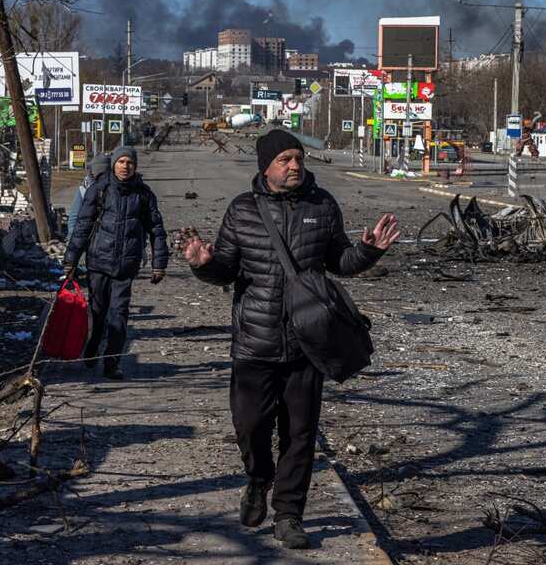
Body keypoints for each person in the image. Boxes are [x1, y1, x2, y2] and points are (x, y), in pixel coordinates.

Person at [181, 129, 400, 549]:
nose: (295, 165)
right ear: (266, 166)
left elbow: (339, 261)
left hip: (307, 344)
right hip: (254, 343)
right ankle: (257, 479)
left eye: (298, 157)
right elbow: (226, 268)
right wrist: (202, 264)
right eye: (285, 159)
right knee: (250, 427)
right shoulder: (242, 210)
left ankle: (288, 515)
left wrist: (369, 250)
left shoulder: (323, 204)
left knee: (300, 435)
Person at [64, 146, 169, 380]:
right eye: (120, 161)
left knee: (119, 316)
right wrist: (70, 260)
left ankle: (112, 363)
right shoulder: (99, 191)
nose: (125, 166)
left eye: (129, 162)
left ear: (135, 166)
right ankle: (92, 347)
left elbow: (157, 230)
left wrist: (158, 264)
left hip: (125, 266)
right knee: (98, 312)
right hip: (98, 262)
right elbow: (82, 227)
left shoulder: (143, 194)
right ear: (113, 164)